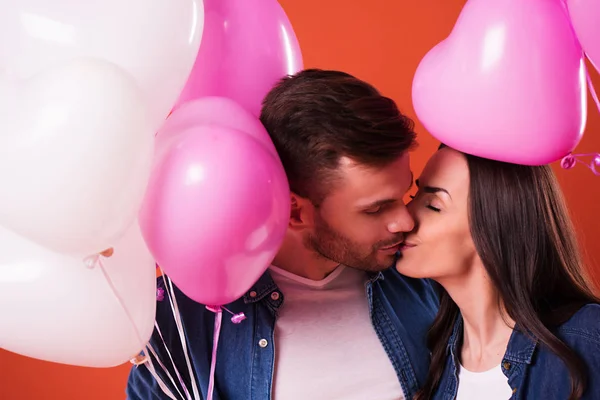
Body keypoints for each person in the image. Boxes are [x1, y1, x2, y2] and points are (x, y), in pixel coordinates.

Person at [126, 69, 439, 400]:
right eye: (375, 209)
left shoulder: (426, 279)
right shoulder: (180, 325)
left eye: (405, 194)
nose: (405, 221)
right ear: (295, 212)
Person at [395, 145, 600, 400]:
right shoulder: (434, 362)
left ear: (494, 226)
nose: (404, 218)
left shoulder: (588, 339)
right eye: (415, 196)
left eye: (433, 205)